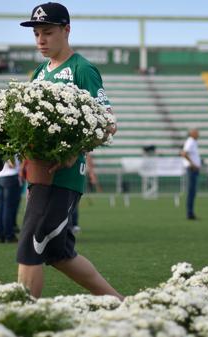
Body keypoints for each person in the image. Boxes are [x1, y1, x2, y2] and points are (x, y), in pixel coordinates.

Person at [17, 2, 123, 300]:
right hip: (39, 175)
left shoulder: (82, 69)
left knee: (31, 245)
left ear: (67, 30)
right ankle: (120, 304)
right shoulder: (39, 71)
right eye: (37, 34)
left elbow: (108, 123)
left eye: (47, 32)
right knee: (58, 252)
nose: (40, 40)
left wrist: (70, 151)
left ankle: (22, 315)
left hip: (63, 177)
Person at [71, 154, 100, 234]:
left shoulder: (84, 153)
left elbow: (89, 163)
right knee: (72, 204)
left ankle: (74, 225)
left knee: (73, 204)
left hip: (76, 180)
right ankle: (73, 225)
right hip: (74, 179)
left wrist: (92, 175)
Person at [0, 159, 21, 243]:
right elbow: (12, 164)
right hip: (11, 176)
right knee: (8, 208)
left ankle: (1, 235)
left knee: (1, 207)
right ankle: (9, 235)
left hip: (0, 176)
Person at [181, 128, 201, 220]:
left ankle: (191, 212)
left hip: (193, 169)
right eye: (197, 133)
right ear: (192, 133)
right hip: (191, 169)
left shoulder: (193, 142)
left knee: (192, 192)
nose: (198, 134)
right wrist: (193, 164)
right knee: (191, 192)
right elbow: (184, 153)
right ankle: (190, 213)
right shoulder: (190, 141)